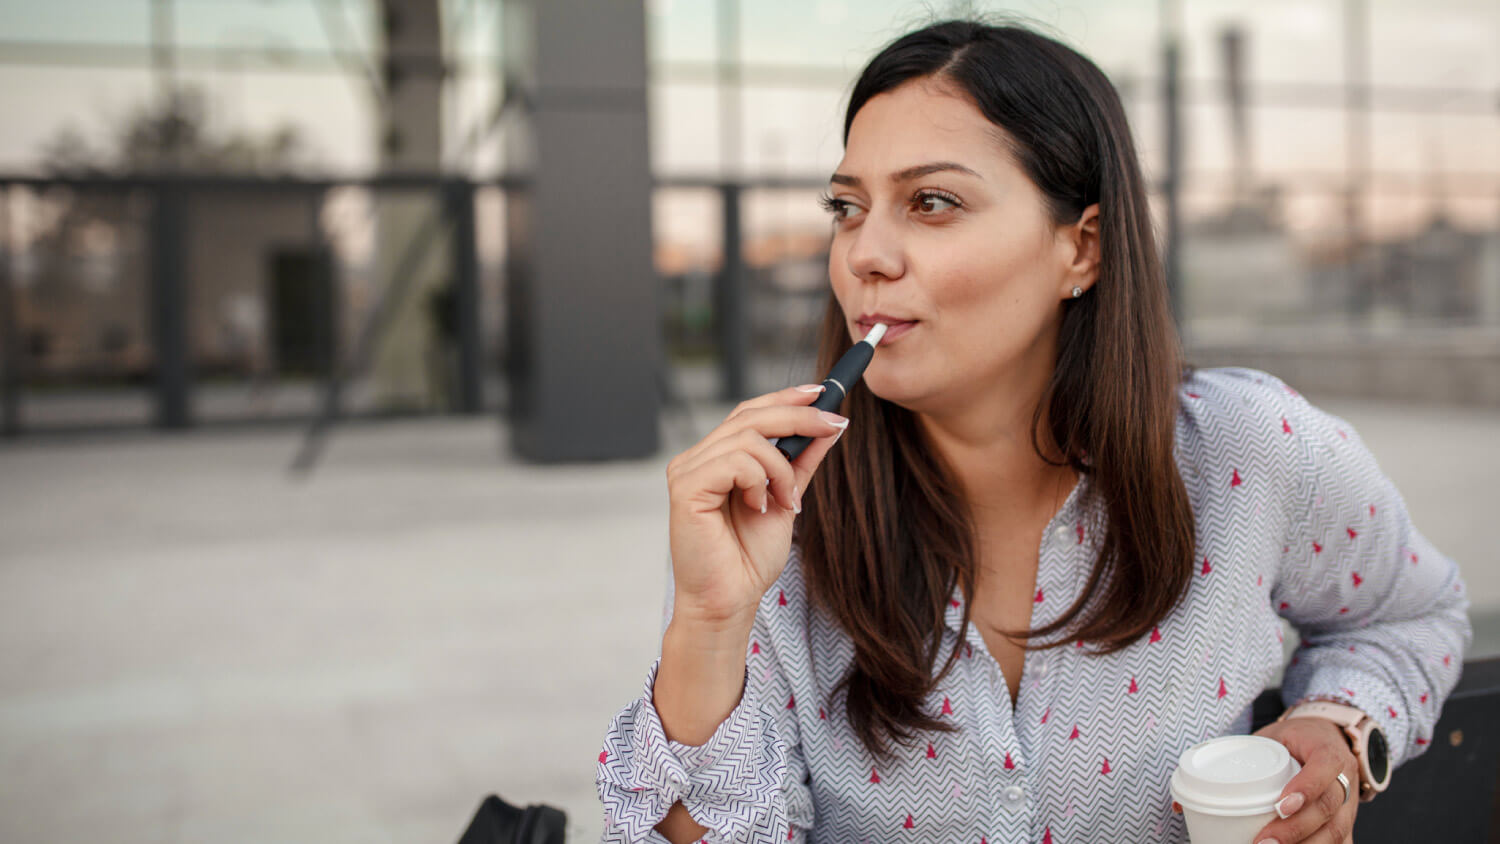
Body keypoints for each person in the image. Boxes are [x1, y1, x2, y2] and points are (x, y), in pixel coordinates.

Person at [595, 18, 1472, 844]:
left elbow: (1412, 615)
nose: (865, 254)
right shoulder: (770, 513)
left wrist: (1339, 728)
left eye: (932, 202)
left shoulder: (1250, 452)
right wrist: (708, 627)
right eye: (848, 208)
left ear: (1081, 250)